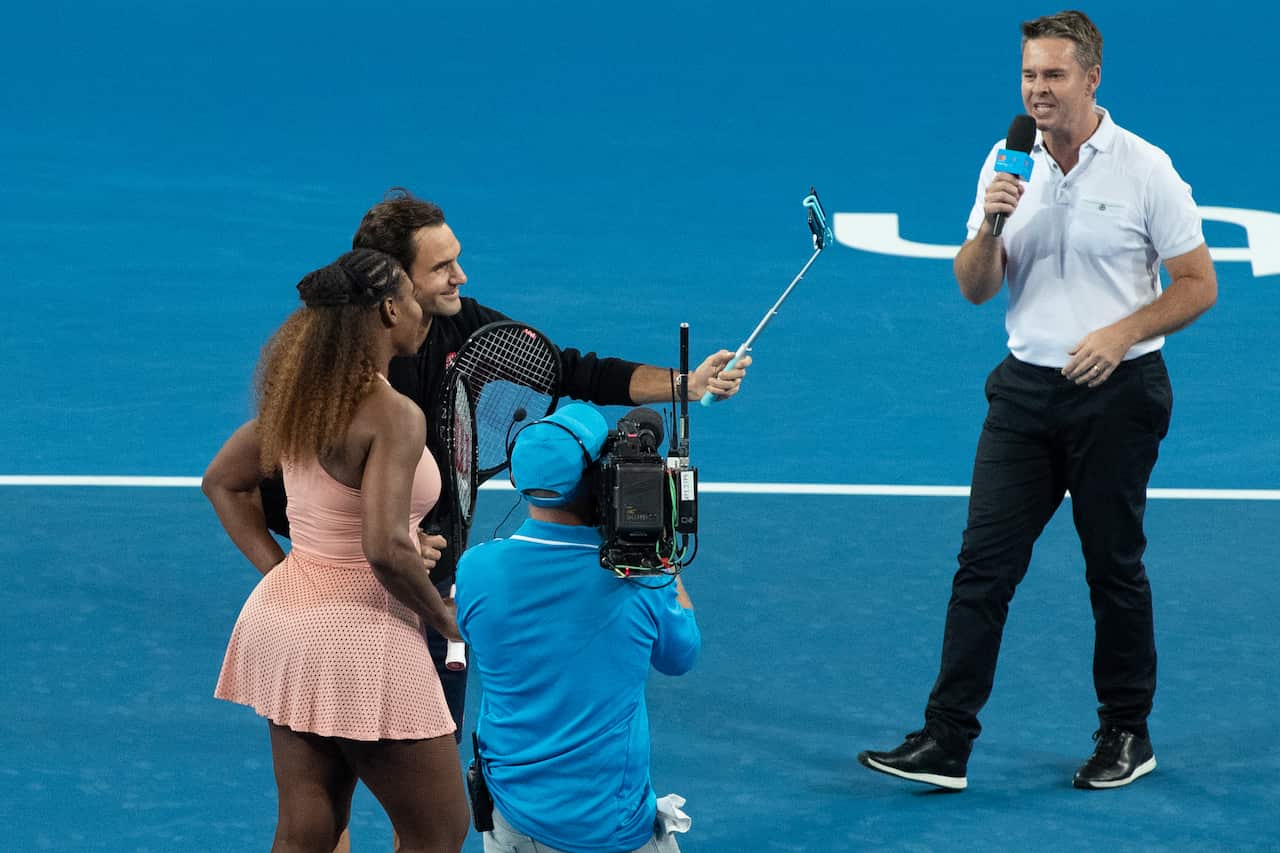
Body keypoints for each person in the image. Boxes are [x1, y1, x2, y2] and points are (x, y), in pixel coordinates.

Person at [858, 9, 1217, 791]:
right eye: (1029, 76)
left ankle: (1128, 732)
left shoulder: (1147, 168)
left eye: (1053, 75)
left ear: (1092, 78)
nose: (1038, 90)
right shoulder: (1006, 160)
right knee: (980, 568)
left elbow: (1199, 286)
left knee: (1112, 569)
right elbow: (975, 287)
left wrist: (1120, 333)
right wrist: (991, 224)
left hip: (1118, 396)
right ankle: (946, 741)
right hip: (1024, 393)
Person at [260, 188, 749, 740]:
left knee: (422, 788)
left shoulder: (466, 328)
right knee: (367, 797)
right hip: (357, 611)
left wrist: (686, 385)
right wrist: (369, 544)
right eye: (441, 266)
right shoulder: (337, 379)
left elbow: (565, 370)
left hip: (436, 583)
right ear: (392, 286)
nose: (460, 276)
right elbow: (273, 496)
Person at [205, 249, 469, 852]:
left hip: (283, 623)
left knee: (310, 825)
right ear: (385, 310)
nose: (418, 307)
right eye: (408, 295)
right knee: (439, 831)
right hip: (359, 641)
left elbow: (222, 480)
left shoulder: (303, 398)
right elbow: (380, 549)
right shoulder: (394, 415)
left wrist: (290, 573)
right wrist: (445, 620)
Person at [454, 402, 700, 853]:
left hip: (512, 822)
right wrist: (660, 554)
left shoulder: (475, 570)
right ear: (598, 479)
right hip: (609, 830)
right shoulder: (640, 581)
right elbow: (682, 654)